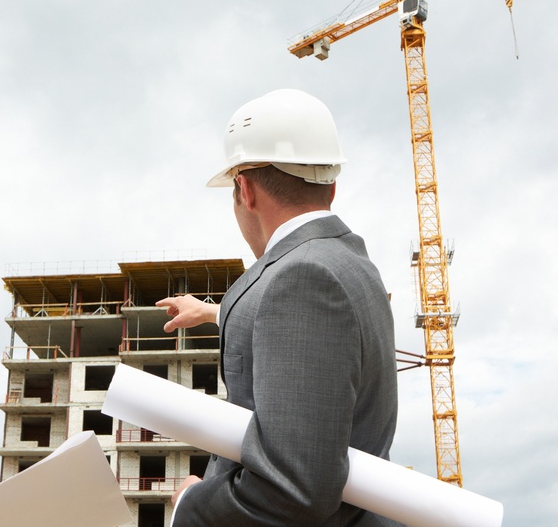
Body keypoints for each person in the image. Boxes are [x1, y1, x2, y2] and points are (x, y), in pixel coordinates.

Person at [160, 89, 401, 526]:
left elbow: (293, 488)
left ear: (244, 189)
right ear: (331, 185)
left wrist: (190, 506)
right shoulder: (349, 263)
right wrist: (212, 312)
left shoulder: (302, 277)